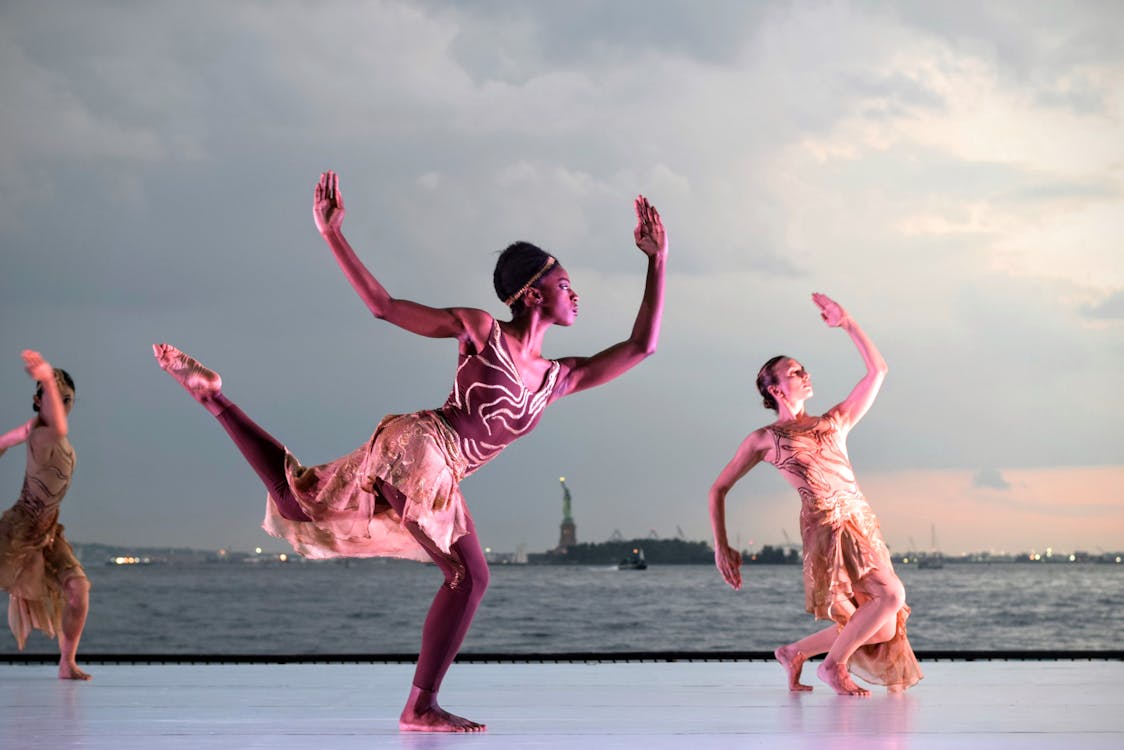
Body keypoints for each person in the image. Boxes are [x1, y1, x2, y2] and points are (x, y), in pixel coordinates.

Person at [154, 170, 668, 731]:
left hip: (430, 461)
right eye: (566, 283)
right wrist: (332, 235)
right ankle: (419, 706)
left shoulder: (557, 377)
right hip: (422, 445)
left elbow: (643, 345)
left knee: (302, 502)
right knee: (469, 577)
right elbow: (383, 305)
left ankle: (214, 399)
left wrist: (656, 261)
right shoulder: (480, 330)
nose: (576, 294)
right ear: (532, 293)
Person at [707, 293, 922, 696]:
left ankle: (794, 652)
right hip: (827, 528)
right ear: (773, 388)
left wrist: (848, 323)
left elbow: (878, 370)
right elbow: (719, 488)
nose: (805, 375)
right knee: (891, 595)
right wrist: (722, 545)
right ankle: (833, 666)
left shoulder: (834, 421)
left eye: (804, 369)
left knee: (884, 625)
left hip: (861, 521)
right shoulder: (765, 439)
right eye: (794, 371)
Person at [0, 350, 91, 680]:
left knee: (78, 590)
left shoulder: (56, 437)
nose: (61, 404)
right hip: (19, 527)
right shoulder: (42, 433)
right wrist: (45, 374)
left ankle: (67, 663)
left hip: (49, 530)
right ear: (38, 401)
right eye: (54, 397)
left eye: (68, 399)